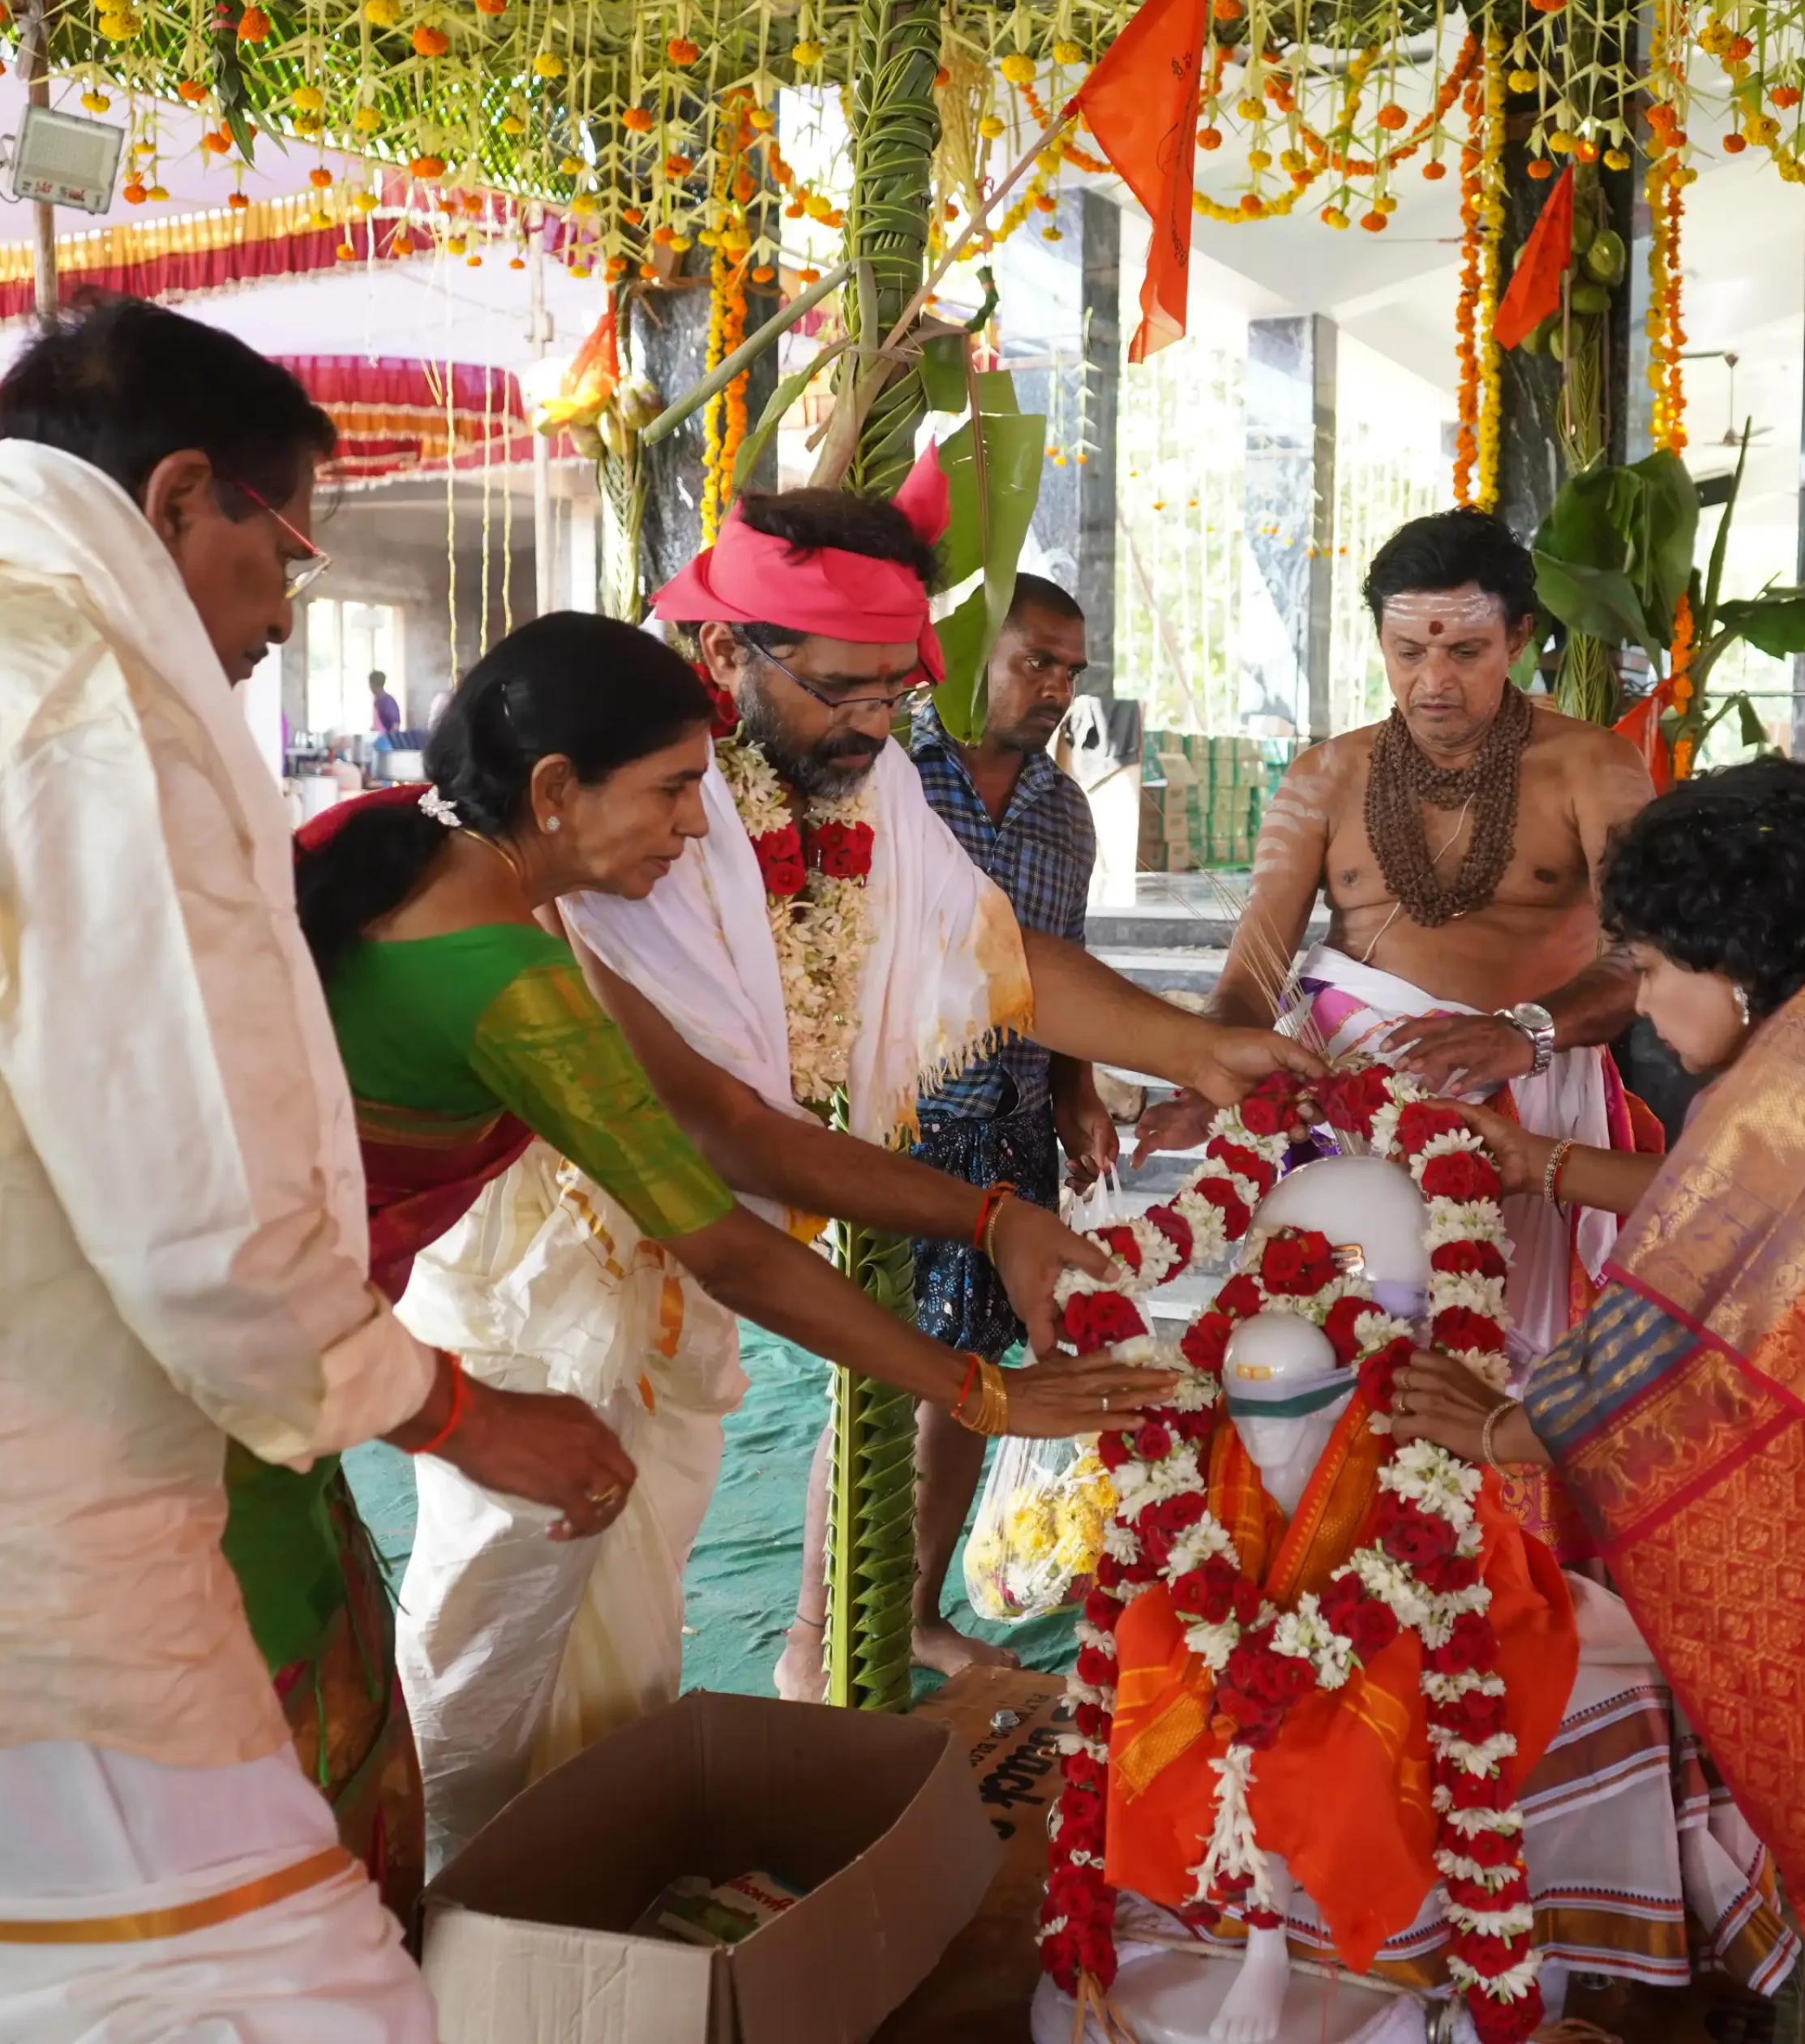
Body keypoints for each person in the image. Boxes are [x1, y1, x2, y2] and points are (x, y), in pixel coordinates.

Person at [395, 478, 1318, 1829]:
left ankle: (564, 1926)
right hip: (544, 1292)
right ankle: (455, 1905)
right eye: (844, 691)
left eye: (900, 691)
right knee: (498, 1640)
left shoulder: (857, 784)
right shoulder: (605, 830)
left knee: (628, 1634)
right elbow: (721, 1143)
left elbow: (988, 951)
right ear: (727, 658)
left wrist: (1196, 1051)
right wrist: (986, 1264)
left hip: (683, 1283)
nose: (878, 726)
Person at [298, 611, 1173, 1873]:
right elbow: (727, 1238)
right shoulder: (504, 965)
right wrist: (981, 1389)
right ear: (554, 792)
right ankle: (454, 1922)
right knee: (446, 1680)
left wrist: (997, 1217)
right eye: (671, 792)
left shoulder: (459, 881)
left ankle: (526, 1915)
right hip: (268, 1360)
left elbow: (742, 1140)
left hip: (313, 1342)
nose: (698, 830)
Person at [0, 298, 630, 2038]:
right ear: (181, 494)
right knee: (299, 1987)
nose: (285, 608)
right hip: (62, 1518)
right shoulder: (77, 675)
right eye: (285, 551)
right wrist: (453, 1412)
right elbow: (191, 1198)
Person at [1392, 758, 1805, 2040]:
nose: (1644, 1008)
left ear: (1734, 957)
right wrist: (1541, 1164)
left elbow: (1664, 1350)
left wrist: (1494, 1425)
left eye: (1648, 969)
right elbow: (1773, 1222)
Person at [1138, 509, 1659, 1378]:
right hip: (1337, 1108)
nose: (1433, 682)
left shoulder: (1593, 768)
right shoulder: (1325, 777)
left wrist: (1521, 1034)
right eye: (1407, 651)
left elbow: (1646, 958)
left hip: (1524, 1100)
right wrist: (1205, 1070)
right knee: (1330, 1350)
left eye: (1464, 651)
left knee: (1500, 1372)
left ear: (1520, 638)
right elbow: (1253, 973)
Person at [903, 572, 1117, 1676]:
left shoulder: (1063, 811)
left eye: (1071, 672)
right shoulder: (890, 778)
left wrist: (1078, 1092)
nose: (1054, 690)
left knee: (970, 1379)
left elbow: (1061, 970)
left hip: (1017, 1129)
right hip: (899, 1134)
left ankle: (919, 1611)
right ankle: (813, 1628)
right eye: (1035, 661)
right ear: (966, 650)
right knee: (878, 1374)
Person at [371, 668, 402, 738]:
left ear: (373, 685)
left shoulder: (387, 701)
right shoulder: (377, 701)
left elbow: (395, 725)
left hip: (387, 743)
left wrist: (389, 739)